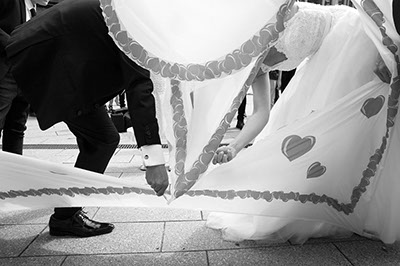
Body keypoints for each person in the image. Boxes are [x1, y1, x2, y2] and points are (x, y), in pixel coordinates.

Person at [208, 0, 400, 243]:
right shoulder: (249, 65)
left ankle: (353, 206)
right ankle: (336, 204)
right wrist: (234, 146)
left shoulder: (267, 13)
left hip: (352, 34)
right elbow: (261, 113)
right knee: (332, 133)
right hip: (323, 63)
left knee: (351, 128)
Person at [5, 0, 169, 237]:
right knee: (102, 139)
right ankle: (65, 216)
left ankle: (66, 216)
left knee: (102, 138)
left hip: (51, 63)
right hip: (31, 59)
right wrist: (154, 161)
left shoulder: (134, 9)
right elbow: (139, 87)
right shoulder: (137, 19)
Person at [0, 0, 50, 155]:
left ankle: (13, 175)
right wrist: (15, 45)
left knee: (16, 129)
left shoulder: (34, 10)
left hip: (22, 76)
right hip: (4, 73)